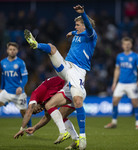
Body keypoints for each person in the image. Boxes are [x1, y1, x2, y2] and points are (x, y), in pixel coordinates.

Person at [24, 5, 97, 150]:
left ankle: (81, 138)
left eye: (77, 24)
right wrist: (72, 32)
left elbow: (88, 28)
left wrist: (83, 14)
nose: (75, 26)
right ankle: (36, 45)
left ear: (84, 23)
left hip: (78, 71)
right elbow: (77, 31)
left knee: (76, 101)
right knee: (51, 48)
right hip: (67, 67)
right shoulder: (78, 34)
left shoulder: (91, 35)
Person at [14, 76, 79, 150]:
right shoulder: (44, 102)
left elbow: (29, 111)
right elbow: (47, 117)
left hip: (69, 83)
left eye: (36, 110)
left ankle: (63, 132)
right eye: (38, 112)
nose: (39, 110)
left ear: (34, 104)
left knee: (51, 107)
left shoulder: (35, 95)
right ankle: (76, 140)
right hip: (72, 88)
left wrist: (22, 129)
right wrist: (35, 128)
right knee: (60, 116)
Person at [104, 37, 138, 129]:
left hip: (132, 83)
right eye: (125, 44)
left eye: (128, 44)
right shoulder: (119, 56)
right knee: (114, 101)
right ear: (122, 45)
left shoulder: (135, 56)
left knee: (135, 103)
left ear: (131, 45)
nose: (127, 46)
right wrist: (114, 83)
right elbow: (117, 70)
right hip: (121, 83)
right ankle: (114, 122)